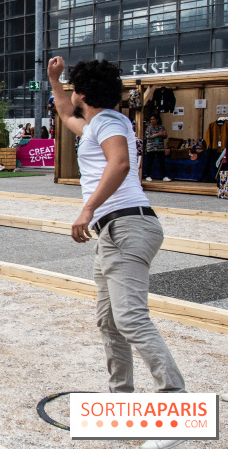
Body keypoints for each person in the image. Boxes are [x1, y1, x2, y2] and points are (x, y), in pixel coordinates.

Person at [49, 57, 185, 449]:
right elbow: (63, 111)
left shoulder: (107, 123)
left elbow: (121, 163)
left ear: (85, 95)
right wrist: (54, 80)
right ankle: (121, 404)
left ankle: (173, 405)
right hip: (117, 230)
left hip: (127, 225)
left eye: (74, 88)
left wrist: (88, 208)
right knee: (110, 321)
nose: (69, 95)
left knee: (129, 317)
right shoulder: (99, 122)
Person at [143, 115, 171, 182]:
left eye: (153, 119)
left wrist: (163, 134)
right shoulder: (149, 128)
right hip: (151, 147)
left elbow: (165, 136)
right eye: (151, 119)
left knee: (162, 162)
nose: (152, 121)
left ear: (157, 120)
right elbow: (147, 136)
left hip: (160, 147)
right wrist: (158, 134)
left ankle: (164, 176)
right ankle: (148, 175)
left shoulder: (161, 127)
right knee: (149, 162)